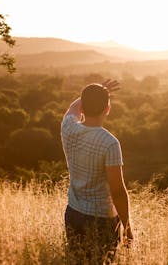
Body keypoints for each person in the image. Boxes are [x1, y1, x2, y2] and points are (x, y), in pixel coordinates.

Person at [61, 79, 133, 263]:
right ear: (108, 109)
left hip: (73, 213)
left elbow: (73, 108)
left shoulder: (68, 128)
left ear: (83, 107)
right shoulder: (109, 143)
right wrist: (127, 227)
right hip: (101, 220)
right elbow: (117, 191)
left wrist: (93, 94)